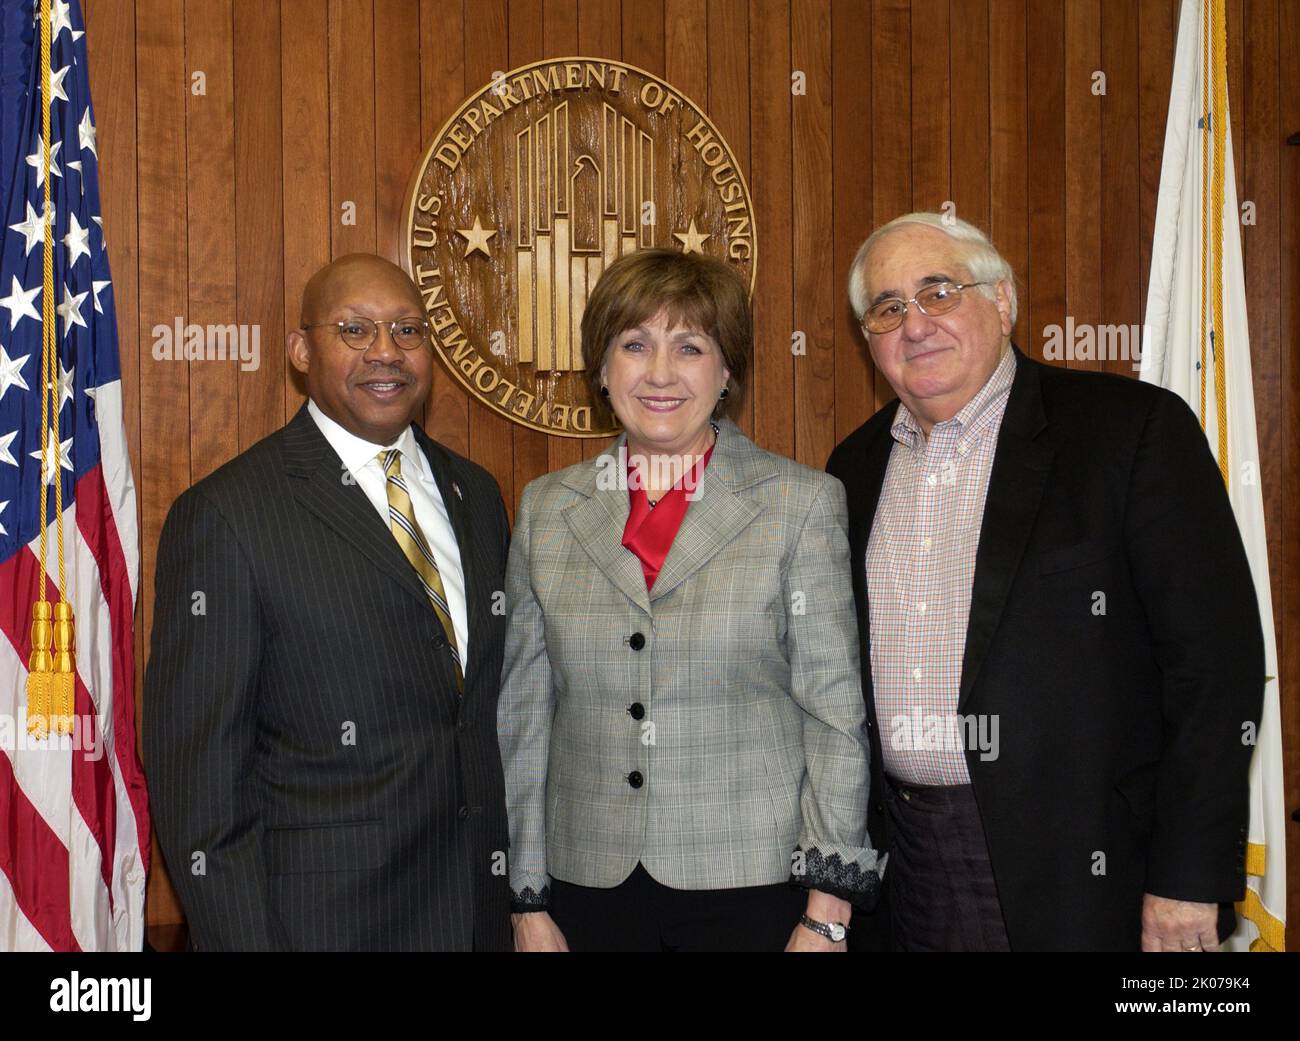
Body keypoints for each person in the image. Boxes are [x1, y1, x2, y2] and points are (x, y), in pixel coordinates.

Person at [827, 212, 1264, 952]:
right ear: (868, 337)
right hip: (905, 870)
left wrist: (1188, 877)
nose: (916, 323)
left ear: (1002, 302)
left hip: (1086, 874)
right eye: (888, 306)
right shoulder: (853, 469)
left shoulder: (1129, 432)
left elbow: (1214, 669)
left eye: (939, 291)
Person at [499, 247, 882, 953]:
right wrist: (527, 898)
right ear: (603, 368)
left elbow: (835, 714)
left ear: (727, 369)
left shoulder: (800, 504)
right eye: (635, 344)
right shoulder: (547, 509)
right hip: (584, 892)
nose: (661, 372)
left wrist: (828, 910)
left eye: (690, 346)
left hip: (755, 890)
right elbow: (524, 715)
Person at [145, 254, 512, 951]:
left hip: (477, 922)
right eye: (354, 329)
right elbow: (200, 794)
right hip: (320, 929)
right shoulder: (228, 515)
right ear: (300, 351)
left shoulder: (478, 495)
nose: (386, 351)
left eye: (407, 330)